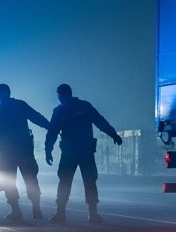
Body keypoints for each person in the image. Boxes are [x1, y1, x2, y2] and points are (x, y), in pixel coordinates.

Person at [44, 83, 122, 224]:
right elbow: (100, 122)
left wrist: (48, 150)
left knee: (65, 181)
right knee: (90, 181)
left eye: (59, 95)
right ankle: (93, 215)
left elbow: (52, 133)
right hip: (86, 150)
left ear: (61, 95)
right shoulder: (84, 106)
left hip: (69, 152)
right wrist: (113, 134)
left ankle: (60, 214)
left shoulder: (60, 111)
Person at [0, 83, 51, 221]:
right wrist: (51, 128)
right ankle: (35, 209)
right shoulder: (19, 105)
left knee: (10, 181)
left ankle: (17, 210)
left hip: (8, 152)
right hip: (22, 150)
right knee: (29, 178)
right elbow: (36, 117)